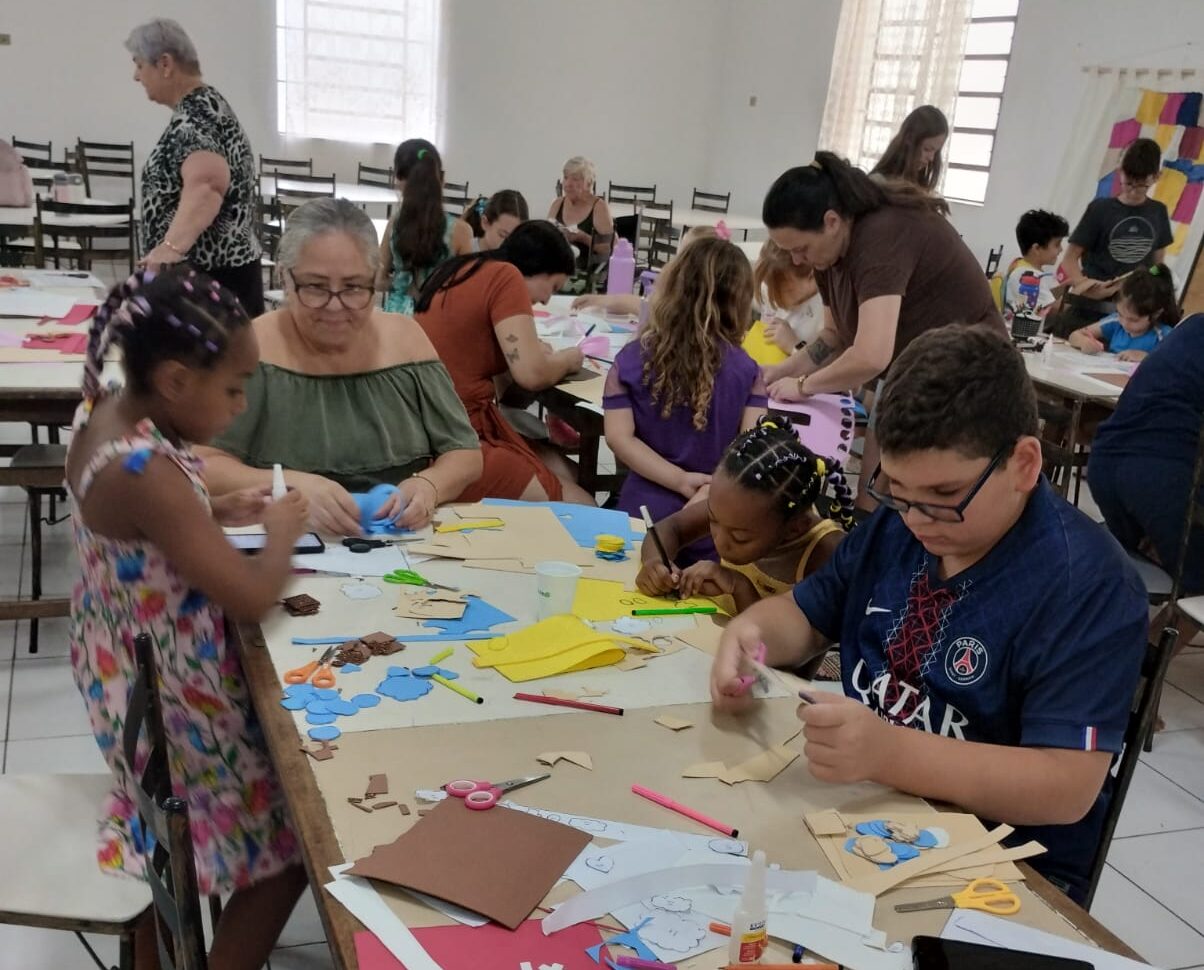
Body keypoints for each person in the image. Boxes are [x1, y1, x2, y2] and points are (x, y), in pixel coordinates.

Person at [710, 324, 1147, 904]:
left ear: (1023, 463)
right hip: (870, 813)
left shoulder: (1088, 586)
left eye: (944, 496)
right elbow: (806, 614)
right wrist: (750, 633)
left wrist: (889, 752)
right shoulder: (899, 525)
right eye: (897, 489)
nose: (917, 519)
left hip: (1005, 866)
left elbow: (1066, 786)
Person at [67, 267, 312, 969]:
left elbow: (148, 531)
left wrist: (211, 512)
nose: (241, 405)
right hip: (174, 699)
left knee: (173, 849)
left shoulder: (105, 411)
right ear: (175, 380)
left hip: (123, 668)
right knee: (291, 850)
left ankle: (165, 936)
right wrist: (281, 535)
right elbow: (249, 597)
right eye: (233, 388)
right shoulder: (145, 470)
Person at [200, 199, 482, 535]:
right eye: (315, 287)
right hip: (284, 542)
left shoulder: (406, 340)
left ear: (375, 279)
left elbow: (464, 452)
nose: (335, 306)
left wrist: (429, 485)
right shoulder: (251, 348)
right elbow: (202, 464)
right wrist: (289, 486)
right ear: (284, 277)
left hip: (399, 541)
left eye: (353, 287)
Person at [760, 152, 1003, 509]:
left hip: (970, 379)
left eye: (800, 249)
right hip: (912, 373)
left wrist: (802, 386)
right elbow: (832, 337)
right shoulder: (827, 254)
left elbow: (871, 355)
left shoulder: (881, 236)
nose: (797, 260)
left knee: (909, 498)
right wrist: (779, 373)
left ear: (831, 221)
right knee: (872, 494)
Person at [603, 236, 766, 564]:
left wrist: (678, 480)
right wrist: (707, 489)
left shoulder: (630, 360)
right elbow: (750, 450)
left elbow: (618, 438)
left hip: (642, 516)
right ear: (740, 301)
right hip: (713, 519)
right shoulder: (749, 371)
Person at [413, 220, 592, 503]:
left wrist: (531, 351)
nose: (547, 300)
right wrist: (568, 359)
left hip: (435, 423)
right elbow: (531, 374)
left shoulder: (465, 269)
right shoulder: (506, 276)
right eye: (553, 286)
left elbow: (507, 388)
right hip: (453, 438)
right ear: (536, 267)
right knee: (583, 502)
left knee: (569, 471)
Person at [636, 417, 854, 611]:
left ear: (794, 528)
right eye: (712, 520)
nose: (720, 542)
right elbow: (671, 528)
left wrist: (739, 587)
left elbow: (789, 642)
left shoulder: (826, 554)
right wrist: (655, 563)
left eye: (739, 537)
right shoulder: (734, 509)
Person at [125, 19, 265, 314]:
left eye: (139, 65)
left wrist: (170, 248)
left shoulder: (197, 117)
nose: (136, 76)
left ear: (165, 64)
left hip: (210, 287)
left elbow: (208, 183)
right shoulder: (205, 107)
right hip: (219, 281)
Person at [1088, 312, 1204, 643]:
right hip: (1157, 476)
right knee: (1196, 587)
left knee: (1154, 556)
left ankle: (1099, 646)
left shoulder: (1194, 325)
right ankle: (1136, 671)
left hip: (1105, 463)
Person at [1052, 138, 1173, 337]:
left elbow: (1157, 266)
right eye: (1128, 183)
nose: (1133, 191)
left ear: (1156, 177)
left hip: (1130, 317)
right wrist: (1083, 284)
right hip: (1088, 308)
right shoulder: (1100, 209)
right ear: (1120, 172)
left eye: (1141, 185)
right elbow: (1070, 258)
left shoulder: (1158, 212)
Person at [377, 139, 473, 314]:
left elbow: (378, 281)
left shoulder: (395, 224)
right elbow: (466, 289)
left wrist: (401, 282)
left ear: (398, 179)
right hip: (439, 318)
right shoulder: (461, 231)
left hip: (398, 318)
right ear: (441, 180)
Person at [1067, 265, 1179, 361]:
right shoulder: (1116, 322)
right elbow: (1075, 335)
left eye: (1133, 320)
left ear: (1155, 314)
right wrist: (1084, 342)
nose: (1124, 323)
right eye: (1120, 314)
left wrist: (1147, 358)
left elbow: (1174, 364)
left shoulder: (1164, 335)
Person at [754, 238, 823, 355]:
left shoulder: (829, 308)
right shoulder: (769, 284)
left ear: (812, 275)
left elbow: (832, 361)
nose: (774, 299)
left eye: (787, 290)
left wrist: (795, 345)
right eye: (768, 286)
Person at [1002, 209, 1069, 328]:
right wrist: (1079, 293)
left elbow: (1043, 296)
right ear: (1037, 248)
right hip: (1022, 333)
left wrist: (1066, 285)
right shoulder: (1028, 275)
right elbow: (1054, 308)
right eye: (1057, 244)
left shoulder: (1020, 265)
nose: (1061, 249)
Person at [546, 156, 614, 270]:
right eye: (566, 177)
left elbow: (611, 247)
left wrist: (583, 238)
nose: (568, 184)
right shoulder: (557, 204)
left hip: (586, 273)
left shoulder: (599, 207)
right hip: (556, 270)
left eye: (575, 179)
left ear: (589, 183)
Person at [870, 105, 949, 191]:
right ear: (909, 139)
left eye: (936, 152)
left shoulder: (921, 187)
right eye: (927, 149)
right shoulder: (877, 183)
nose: (931, 158)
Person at [462, 189, 529, 252]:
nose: (508, 245)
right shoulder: (463, 250)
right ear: (485, 223)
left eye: (515, 240)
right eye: (502, 235)